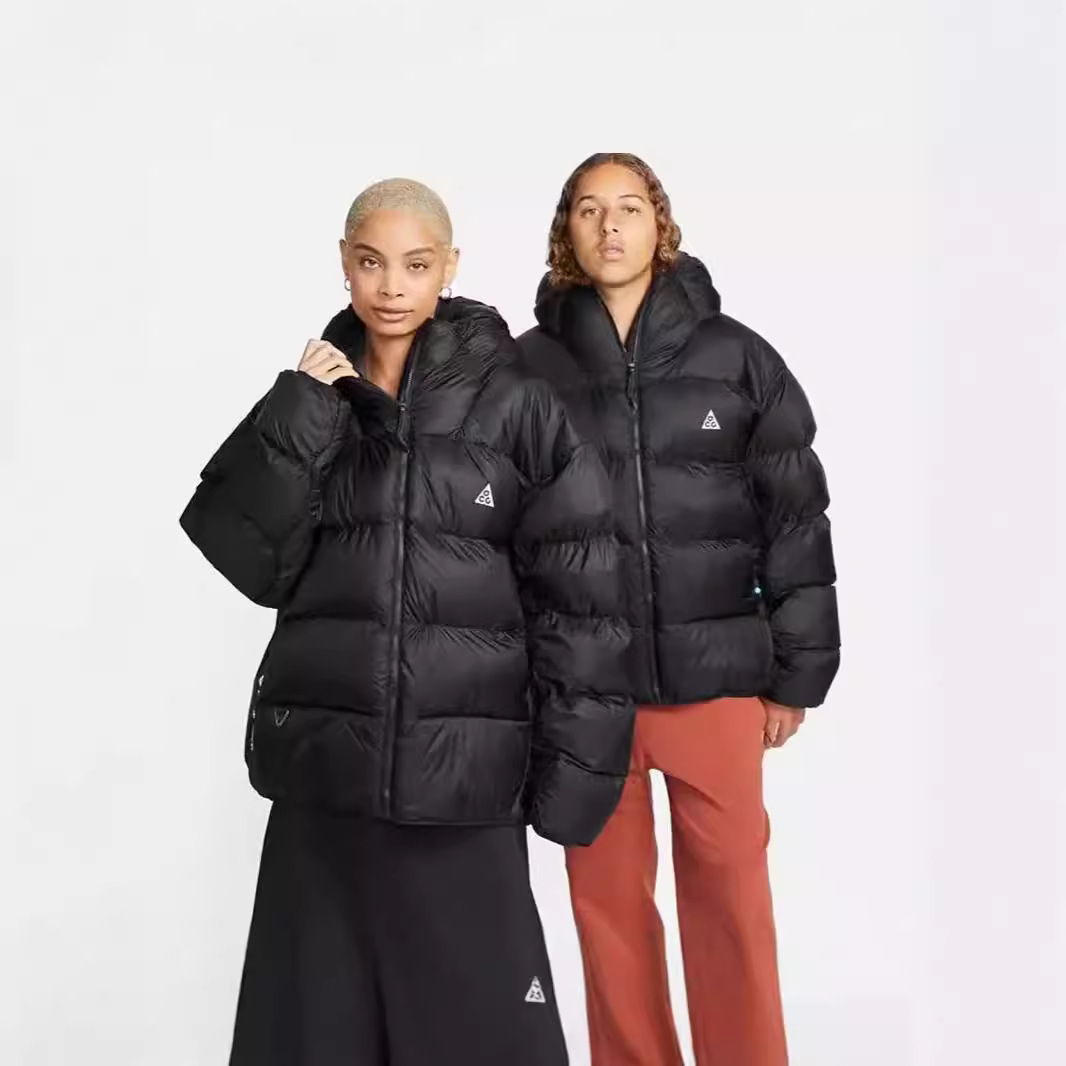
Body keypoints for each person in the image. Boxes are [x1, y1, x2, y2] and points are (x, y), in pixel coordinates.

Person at [179, 177, 634, 1066]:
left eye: (415, 265)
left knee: (483, 1038)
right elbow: (248, 561)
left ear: (449, 268)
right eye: (372, 263)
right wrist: (301, 412)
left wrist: (576, 775)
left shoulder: (518, 403)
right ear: (344, 265)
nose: (391, 286)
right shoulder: (314, 400)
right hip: (325, 786)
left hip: (463, 787)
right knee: (312, 1038)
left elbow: (582, 598)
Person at [516, 154, 841, 1066]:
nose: (610, 226)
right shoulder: (526, 368)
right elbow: (502, 532)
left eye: (628, 208)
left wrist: (796, 673)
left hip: (719, 684)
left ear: (660, 224)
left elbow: (794, 518)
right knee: (607, 915)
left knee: (732, 906)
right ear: (567, 231)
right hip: (587, 694)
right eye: (589, 210)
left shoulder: (737, 358)